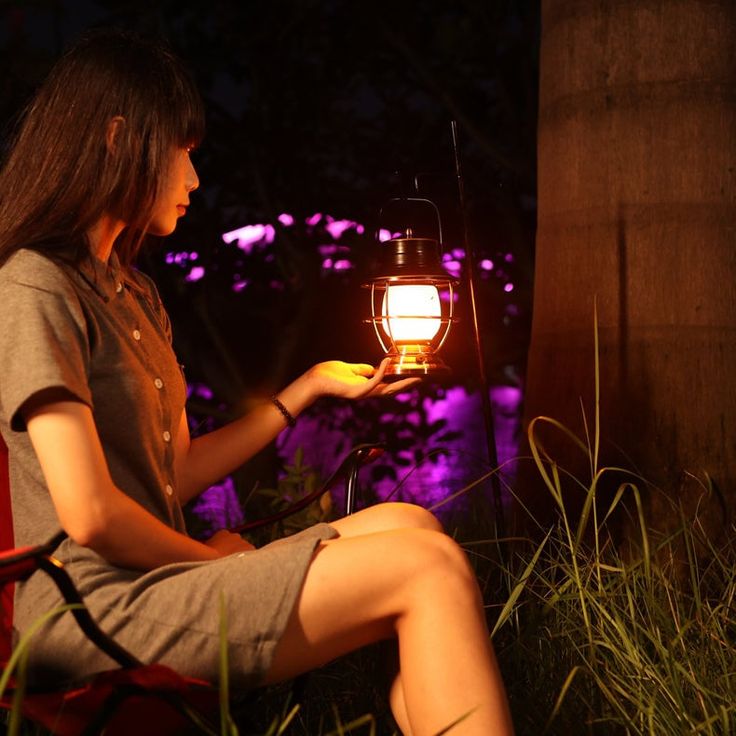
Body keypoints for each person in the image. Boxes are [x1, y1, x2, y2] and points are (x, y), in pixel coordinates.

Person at [0, 30, 514, 735]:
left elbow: (174, 475)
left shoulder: (136, 296)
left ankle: (436, 711)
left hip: (161, 581)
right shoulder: (34, 284)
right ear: (121, 140)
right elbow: (88, 514)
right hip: (92, 606)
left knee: (412, 523)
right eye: (184, 152)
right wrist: (204, 556)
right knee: (424, 568)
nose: (194, 180)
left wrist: (304, 390)